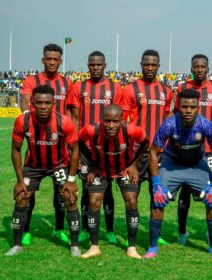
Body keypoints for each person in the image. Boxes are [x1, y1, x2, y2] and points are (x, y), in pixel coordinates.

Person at [143, 88, 212, 259]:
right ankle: (152, 248)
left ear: (198, 108)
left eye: (192, 107)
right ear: (179, 107)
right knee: (158, 200)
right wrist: (157, 184)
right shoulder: (169, 124)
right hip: (172, 164)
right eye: (184, 107)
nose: (188, 111)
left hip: (196, 165)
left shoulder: (205, 125)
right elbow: (153, 152)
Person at [5, 85, 81, 256]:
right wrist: (19, 180)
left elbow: (75, 150)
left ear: (54, 104)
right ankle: (17, 244)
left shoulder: (64, 122)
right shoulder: (22, 121)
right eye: (39, 103)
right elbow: (16, 149)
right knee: (21, 197)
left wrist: (71, 180)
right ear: (32, 103)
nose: (43, 106)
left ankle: (74, 245)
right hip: (33, 165)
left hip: (59, 164)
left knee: (69, 197)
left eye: (47, 103)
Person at [19, 43, 75, 245]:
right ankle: (25, 230)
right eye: (48, 59)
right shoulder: (31, 80)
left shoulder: (67, 83)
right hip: (37, 145)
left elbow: (69, 111)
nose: (52, 62)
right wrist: (29, 119)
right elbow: (25, 101)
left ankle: (59, 229)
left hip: (60, 148)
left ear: (60, 62)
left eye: (55, 59)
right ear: (43, 60)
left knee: (61, 191)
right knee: (28, 191)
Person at [78, 104, 149, 259]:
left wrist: (132, 164)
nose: (111, 125)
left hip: (124, 169)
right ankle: (94, 246)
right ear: (102, 120)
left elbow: (145, 142)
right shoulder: (92, 130)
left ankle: (132, 247)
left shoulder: (131, 130)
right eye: (107, 121)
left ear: (122, 121)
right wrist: (92, 164)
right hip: (101, 169)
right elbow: (79, 141)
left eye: (115, 121)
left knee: (131, 201)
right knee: (94, 202)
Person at [67, 51, 123, 244]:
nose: (95, 67)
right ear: (88, 65)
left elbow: (121, 118)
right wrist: (73, 142)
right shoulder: (79, 87)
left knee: (107, 189)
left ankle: (109, 230)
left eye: (99, 64)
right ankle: (85, 228)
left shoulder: (115, 88)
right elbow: (74, 117)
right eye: (92, 64)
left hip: (108, 147)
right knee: (86, 187)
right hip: (85, 148)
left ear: (105, 65)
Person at [173, 54, 212, 245]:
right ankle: (182, 232)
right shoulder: (183, 88)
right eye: (196, 66)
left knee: (211, 191)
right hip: (186, 147)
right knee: (185, 191)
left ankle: (210, 232)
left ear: (208, 68)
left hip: (209, 149)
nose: (199, 69)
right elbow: (175, 113)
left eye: (202, 66)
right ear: (191, 68)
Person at [121, 49, 173, 245]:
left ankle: (155, 237)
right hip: (134, 153)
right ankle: (131, 237)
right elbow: (122, 122)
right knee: (131, 197)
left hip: (158, 154)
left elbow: (168, 117)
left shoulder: (166, 91)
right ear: (141, 65)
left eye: (153, 64)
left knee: (157, 197)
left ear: (159, 66)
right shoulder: (130, 89)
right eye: (146, 64)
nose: (149, 67)